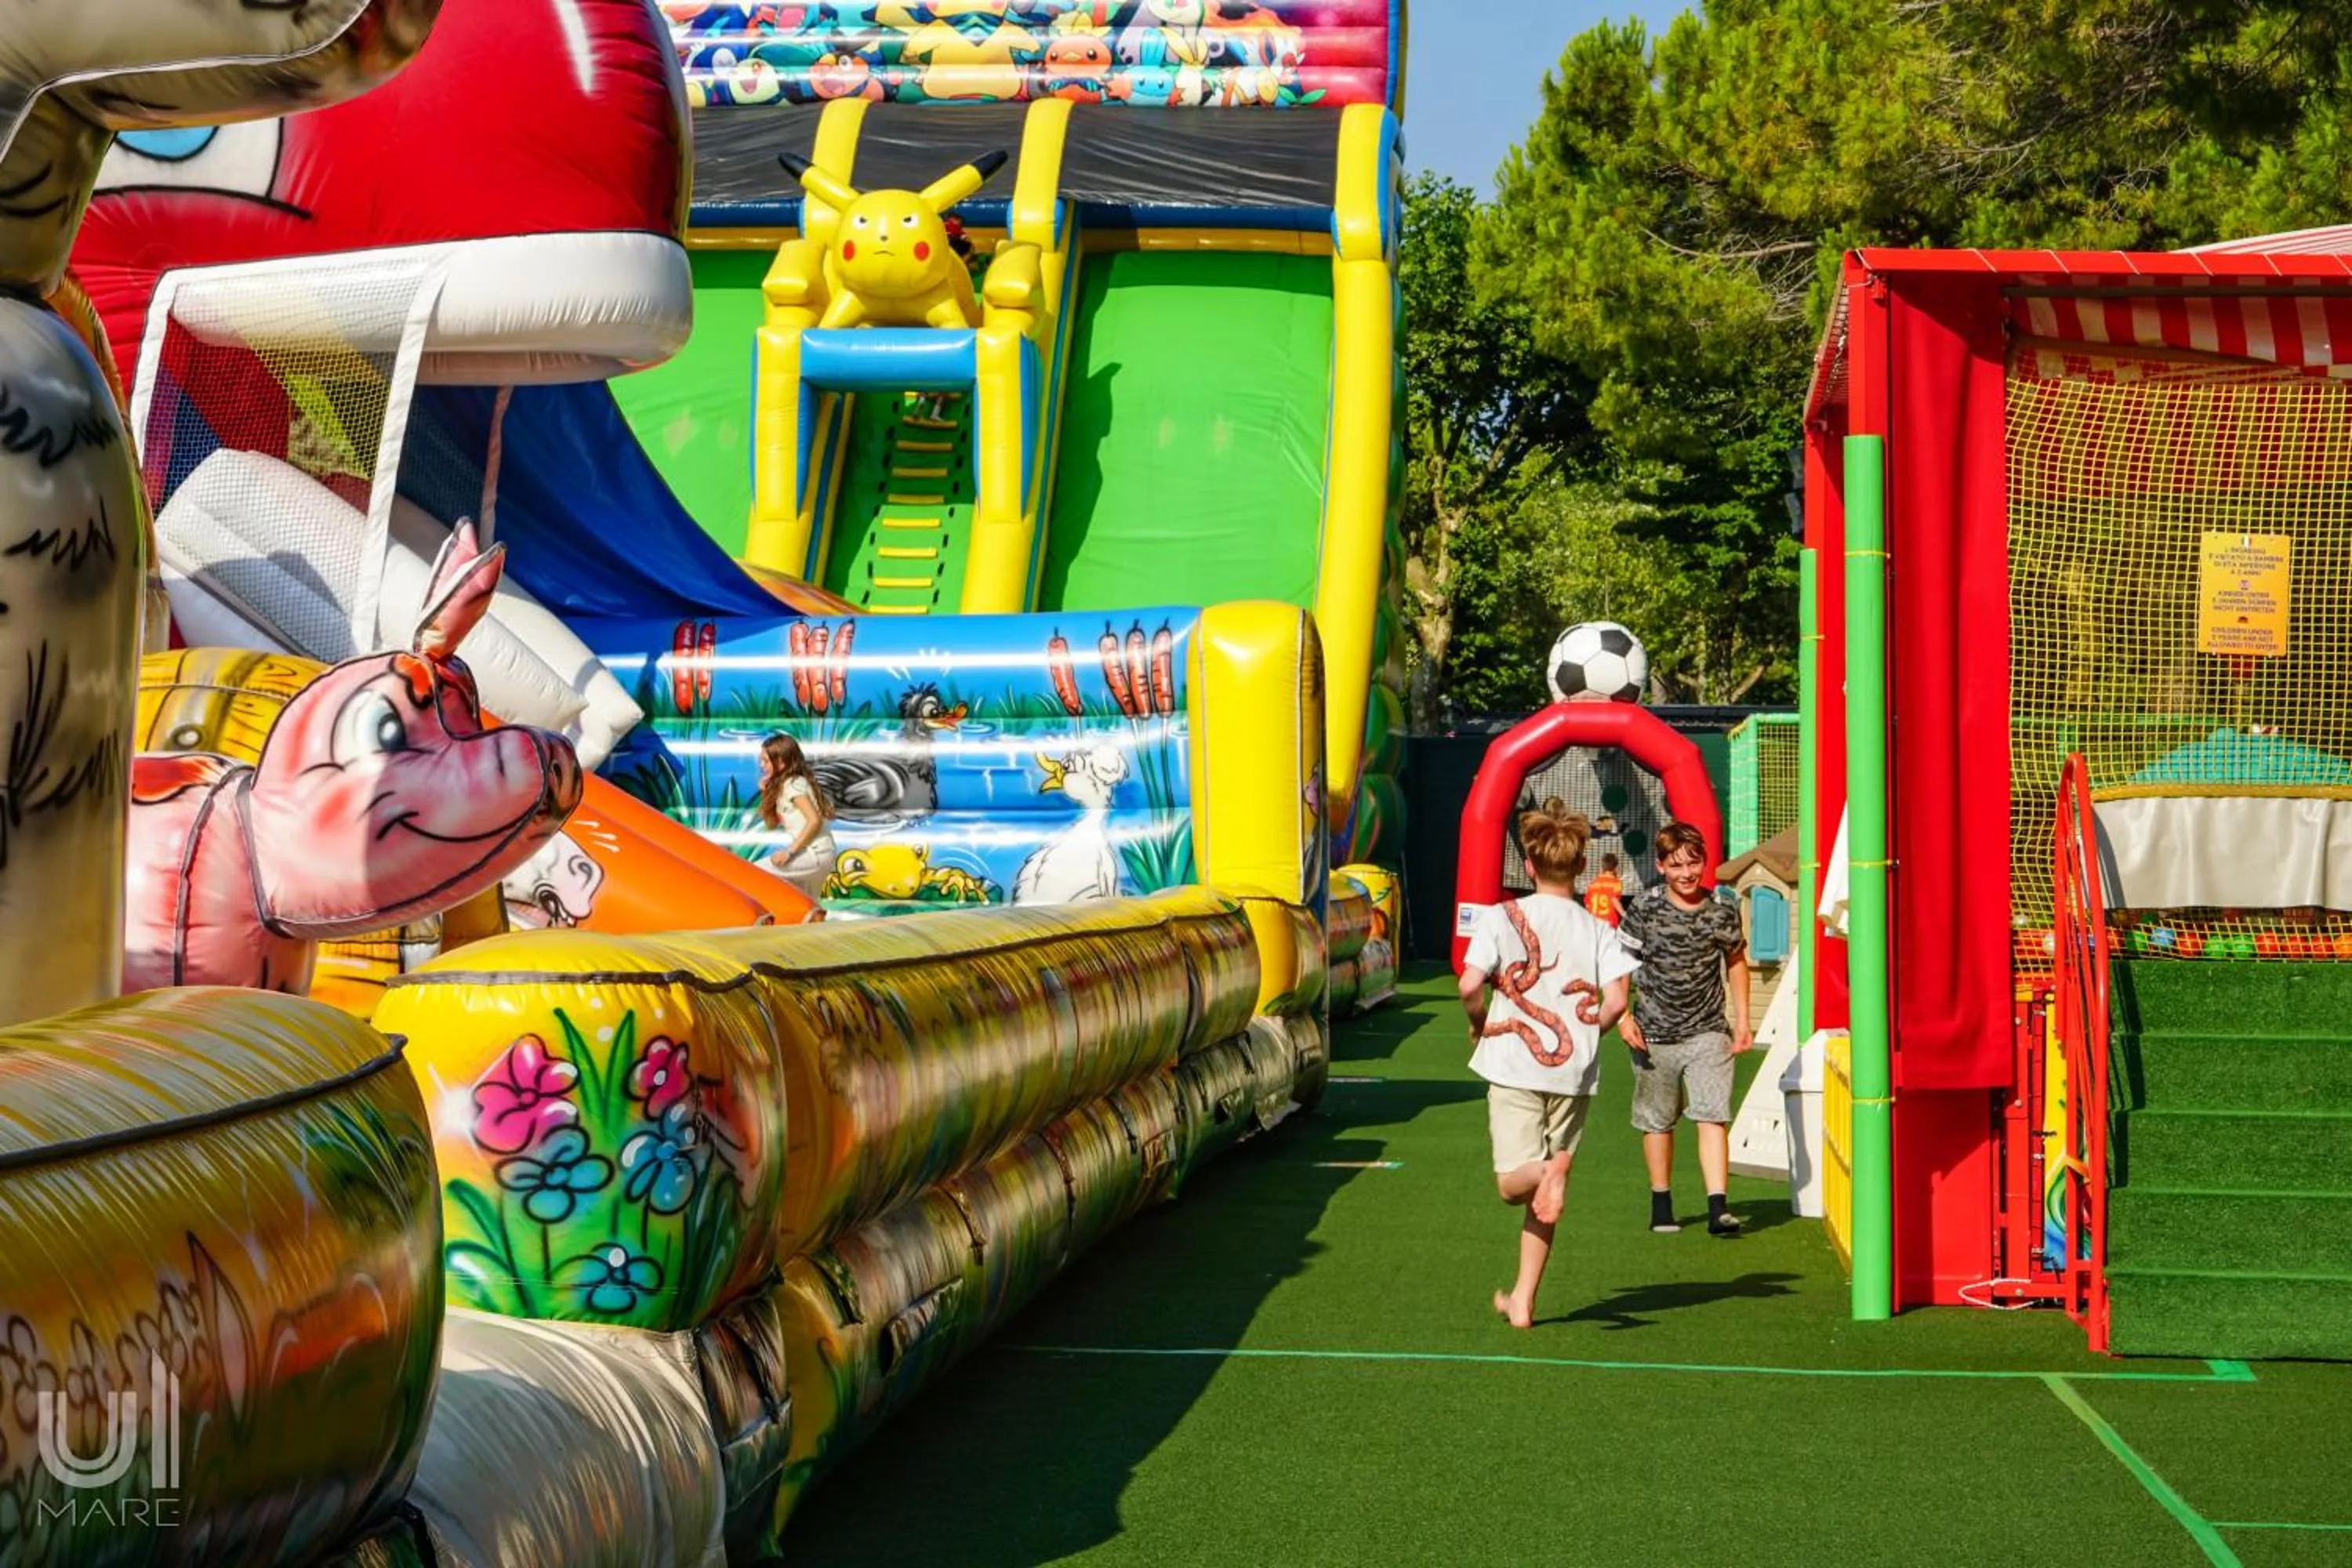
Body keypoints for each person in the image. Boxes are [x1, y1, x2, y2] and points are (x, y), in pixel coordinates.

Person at [1459, 802, 1637, 1329]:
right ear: (1581, 867)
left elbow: (1469, 985)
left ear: (1528, 866)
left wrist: (1478, 1022)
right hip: (1573, 1072)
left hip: (1515, 1064)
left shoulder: (1500, 917)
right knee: (1543, 1196)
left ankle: (1548, 1171)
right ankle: (1523, 1299)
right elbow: (1616, 1001)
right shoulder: (1599, 928)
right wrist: (1590, 1032)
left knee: (1512, 1184)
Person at [1616, 822, 1752, 1236]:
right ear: (1661, 867)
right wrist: (1623, 1017)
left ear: (1705, 862)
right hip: (1654, 1034)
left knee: (1712, 1114)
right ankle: (1662, 1202)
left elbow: (1736, 961)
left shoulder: (1721, 909)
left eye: (1693, 864)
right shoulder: (1645, 908)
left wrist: (1743, 1019)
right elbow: (1622, 962)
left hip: (1708, 1030)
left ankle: (1718, 1207)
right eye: (1676, 866)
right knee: (1658, 1120)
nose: (1687, 873)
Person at [754, 732, 836, 899]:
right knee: (806, 904)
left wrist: (789, 853)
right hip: (818, 854)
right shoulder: (784, 785)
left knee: (754, 872)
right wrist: (765, 794)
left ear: (781, 763)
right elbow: (771, 824)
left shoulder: (793, 784)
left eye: (766, 761)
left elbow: (814, 821)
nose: (762, 765)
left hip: (815, 853)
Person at [1583, 851, 1626, 927]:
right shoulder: (1615, 883)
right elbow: (1615, 900)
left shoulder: (1594, 883)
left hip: (1594, 923)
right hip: (1609, 922)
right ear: (1616, 868)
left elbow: (1587, 904)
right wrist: (1624, 914)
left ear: (1602, 867)